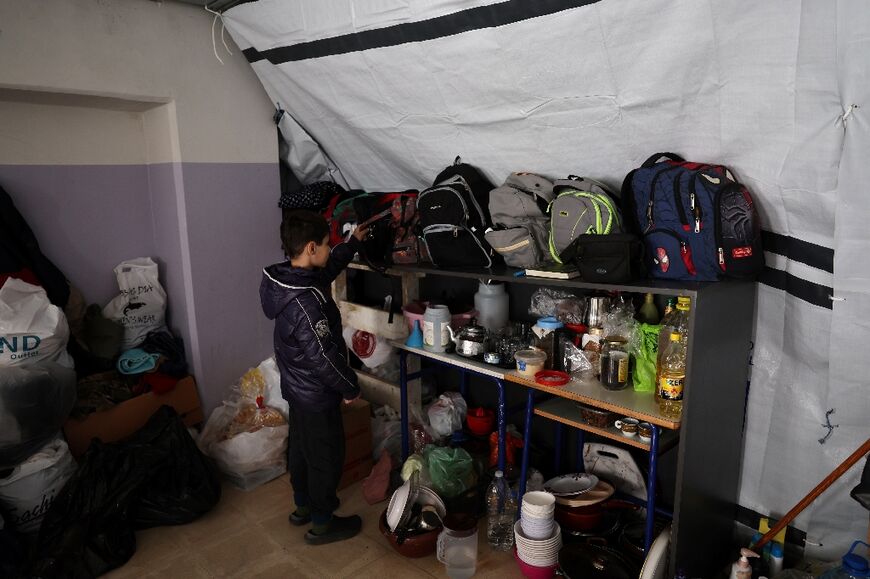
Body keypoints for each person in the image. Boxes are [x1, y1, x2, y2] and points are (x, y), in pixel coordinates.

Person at [260, 209, 368, 545]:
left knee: (303, 448)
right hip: (317, 392)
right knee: (326, 456)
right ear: (310, 248)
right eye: (325, 244)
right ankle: (322, 523)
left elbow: (327, 268)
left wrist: (350, 245)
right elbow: (324, 358)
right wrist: (350, 386)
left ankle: (302, 506)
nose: (328, 248)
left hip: (297, 387)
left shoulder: (290, 281)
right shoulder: (306, 304)